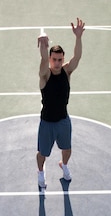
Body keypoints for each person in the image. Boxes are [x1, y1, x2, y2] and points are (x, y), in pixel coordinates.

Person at [36, 18, 85, 188]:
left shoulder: (66, 71)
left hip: (63, 120)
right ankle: (41, 172)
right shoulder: (45, 75)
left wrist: (78, 37)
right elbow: (42, 61)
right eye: (54, 59)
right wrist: (44, 44)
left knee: (67, 149)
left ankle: (64, 165)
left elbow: (77, 57)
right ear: (50, 59)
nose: (57, 63)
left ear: (62, 59)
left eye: (59, 59)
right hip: (47, 122)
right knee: (42, 153)